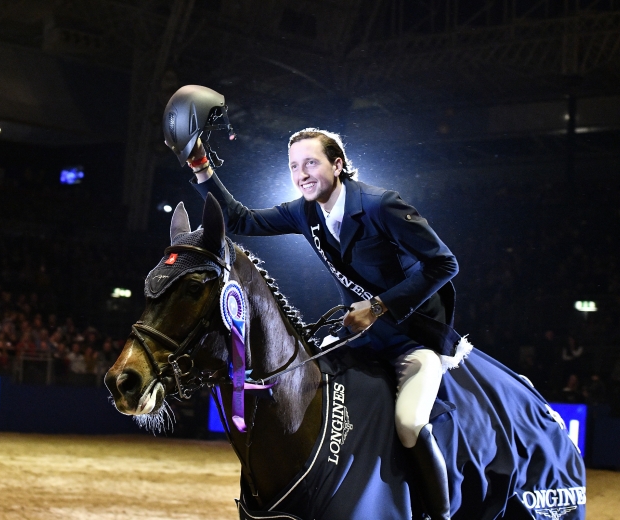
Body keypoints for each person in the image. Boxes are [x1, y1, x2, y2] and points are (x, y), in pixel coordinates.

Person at [174, 128, 465, 520]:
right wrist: (200, 165)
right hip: (357, 340)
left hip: (410, 340)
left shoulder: (382, 205)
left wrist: (378, 306)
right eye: (294, 166)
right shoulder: (305, 211)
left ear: (338, 165)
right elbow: (240, 220)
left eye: (310, 163)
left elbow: (445, 264)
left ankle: (440, 514)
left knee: (410, 424)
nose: (301, 174)